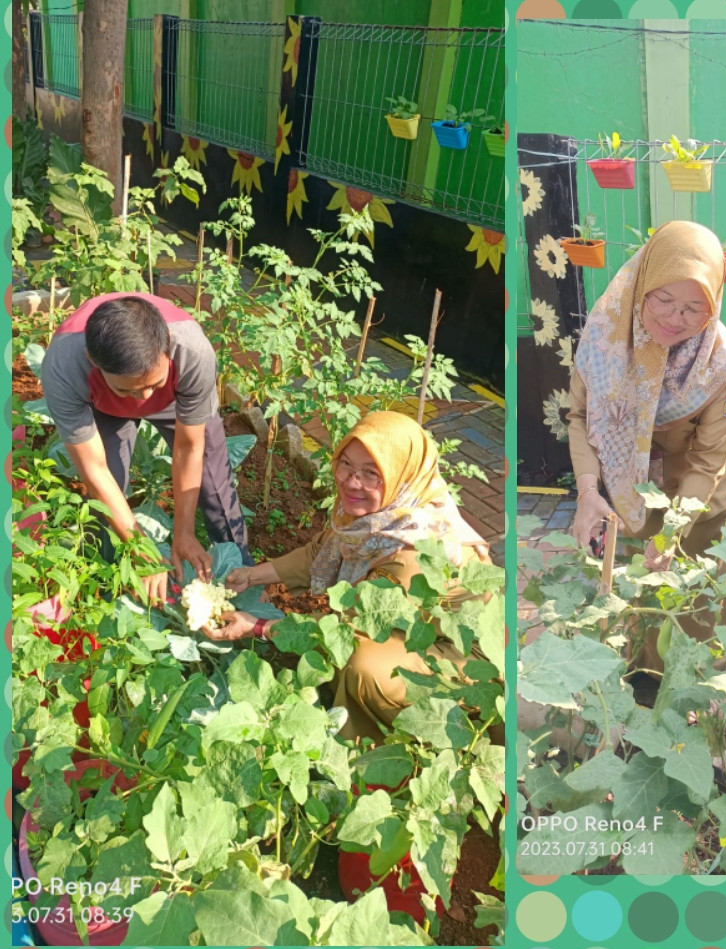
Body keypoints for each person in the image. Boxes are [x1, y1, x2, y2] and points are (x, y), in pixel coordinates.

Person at [206, 410, 494, 742]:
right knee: (351, 649)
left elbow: (345, 625)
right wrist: (248, 575)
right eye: (346, 464)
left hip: (462, 658)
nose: (351, 481)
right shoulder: (376, 517)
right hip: (415, 630)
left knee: (363, 664)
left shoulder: (416, 550)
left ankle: (403, 741)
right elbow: (318, 553)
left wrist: (257, 626)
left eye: (372, 474)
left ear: (402, 476)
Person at [567, 220, 726, 655]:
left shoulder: (721, 364)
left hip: (701, 499)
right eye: (664, 299)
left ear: (714, 305)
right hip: (632, 486)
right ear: (643, 284)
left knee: (698, 607)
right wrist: (588, 492)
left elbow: (708, 462)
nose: (675, 318)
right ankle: (639, 687)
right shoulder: (606, 334)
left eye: (693, 308)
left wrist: (675, 532)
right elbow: (580, 417)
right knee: (635, 602)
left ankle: (694, 697)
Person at [39, 292, 251, 604]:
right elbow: (94, 470)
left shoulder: (193, 352)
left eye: (153, 384)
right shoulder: (64, 368)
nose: (143, 399)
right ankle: (105, 586)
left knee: (214, 482)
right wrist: (141, 548)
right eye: (130, 389)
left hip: (176, 397)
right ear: (93, 361)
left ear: (167, 346)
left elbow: (189, 447)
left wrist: (184, 531)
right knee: (107, 495)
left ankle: (244, 576)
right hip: (104, 406)